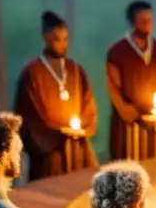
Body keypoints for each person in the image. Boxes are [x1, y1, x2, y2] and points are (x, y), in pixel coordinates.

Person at [13, 11, 98, 180]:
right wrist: (57, 133)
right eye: (57, 39)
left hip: (77, 147)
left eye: (66, 39)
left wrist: (83, 127)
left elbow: (88, 102)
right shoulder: (33, 72)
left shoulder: (75, 69)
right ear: (46, 38)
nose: (63, 45)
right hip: (50, 153)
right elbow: (29, 115)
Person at [106, 0, 156, 161]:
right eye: (143, 20)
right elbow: (113, 87)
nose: (148, 24)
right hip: (131, 123)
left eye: (150, 20)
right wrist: (125, 110)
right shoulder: (117, 52)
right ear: (133, 23)